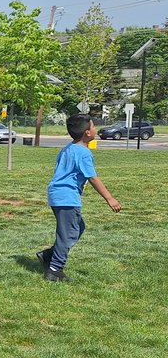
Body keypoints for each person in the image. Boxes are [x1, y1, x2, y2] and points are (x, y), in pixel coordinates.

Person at [37, 114, 120, 282]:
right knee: (67, 234)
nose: (96, 129)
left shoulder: (68, 148)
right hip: (67, 197)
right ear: (87, 133)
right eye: (94, 126)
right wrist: (109, 198)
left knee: (78, 227)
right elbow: (93, 177)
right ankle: (54, 269)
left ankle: (48, 255)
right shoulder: (83, 153)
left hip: (56, 195)